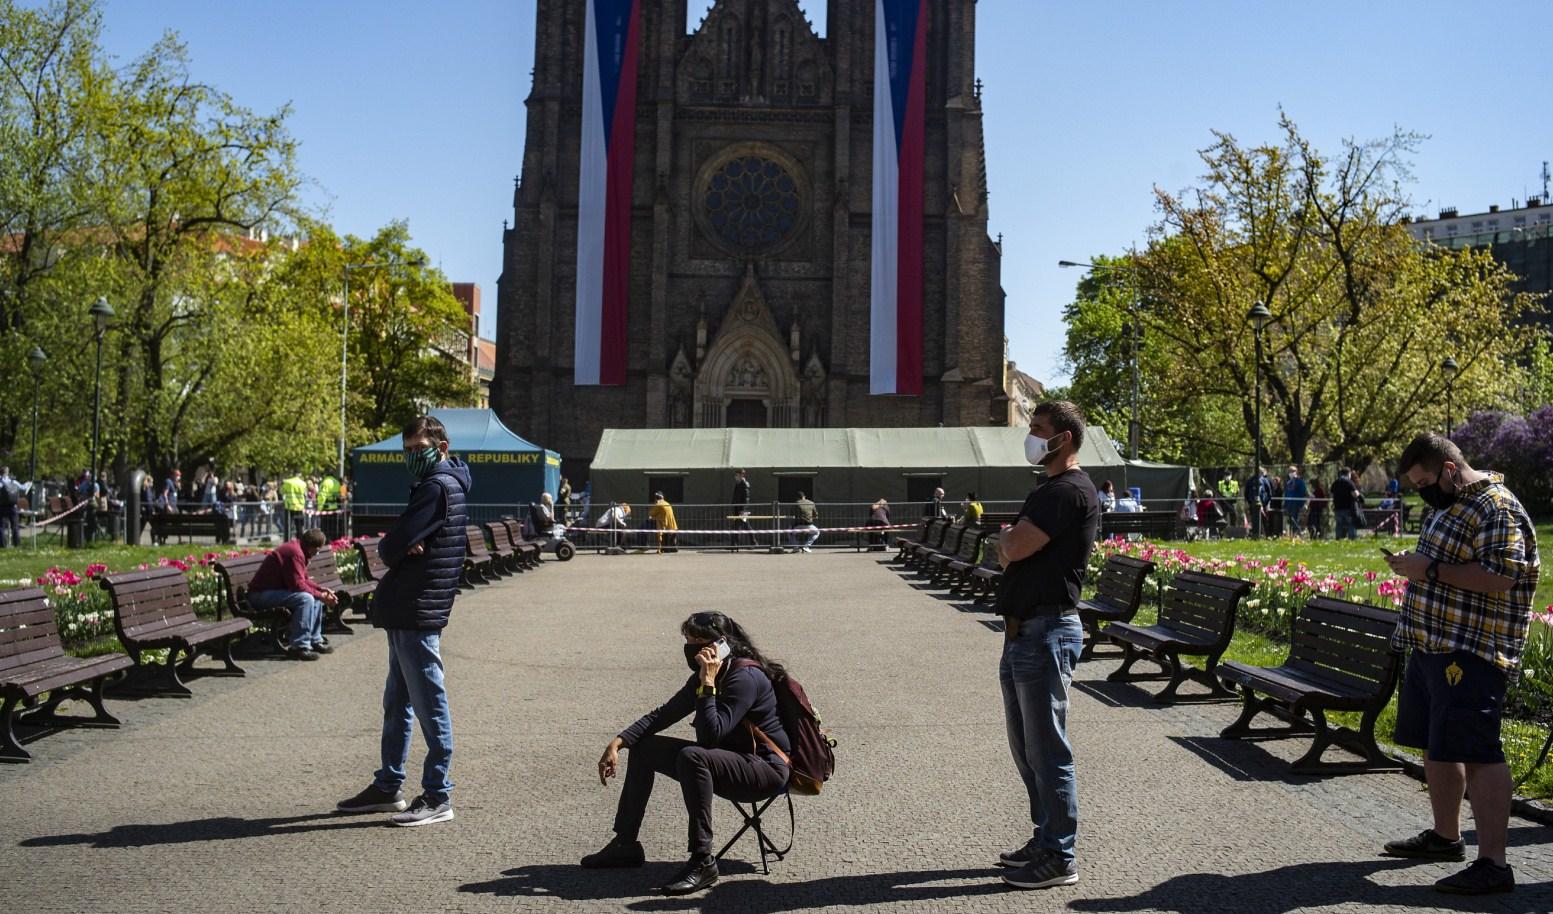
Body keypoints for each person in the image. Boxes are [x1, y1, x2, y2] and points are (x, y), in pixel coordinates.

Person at [1381, 433, 1539, 895]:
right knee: (1438, 744)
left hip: (1474, 649)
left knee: (1479, 751)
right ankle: (1445, 837)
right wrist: (1415, 565)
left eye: (1426, 480)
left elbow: (1501, 576)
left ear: (1450, 470)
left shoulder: (1495, 507)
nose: (1423, 491)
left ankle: (1494, 864)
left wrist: (1426, 570)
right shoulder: (1445, 504)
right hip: (1433, 645)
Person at [583, 611, 791, 897]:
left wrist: (708, 683)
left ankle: (702, 861)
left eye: (697, 641)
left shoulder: (744, 677)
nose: (690, 647)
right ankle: (625, 844)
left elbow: (710, 736)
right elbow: (664, 714)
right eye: (687, 640)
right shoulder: (713, 673)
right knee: (644, 747)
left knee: (693, 755)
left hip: (763, 770)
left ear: (720, 644)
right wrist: (619, 742)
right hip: (727, 761)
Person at [336, 416, 471, 827]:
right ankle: (388, 784)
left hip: (418, 606)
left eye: (419, 449)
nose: (413, 457)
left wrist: (396, 544)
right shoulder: (445, 483)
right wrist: (400, 544)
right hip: (412, 606)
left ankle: (437, 794)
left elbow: (391, 548)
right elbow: (400, 545)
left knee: (428, 701)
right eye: (407, 450)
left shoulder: (435, 487)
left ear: (442, 447)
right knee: (399, 701)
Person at [993, 401, 1099, 890]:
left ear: (1065, 439)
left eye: (1038, 430)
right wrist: (1011, 542)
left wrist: (1008, 542)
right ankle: (1045, 837)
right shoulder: (1050, 490)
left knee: (1048, 748)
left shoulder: (1067, 492)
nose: (1031, 436)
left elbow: (1013, 548)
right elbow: (1014, 546)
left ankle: (1060, 856)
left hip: (1045, 631)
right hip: (1024, 633)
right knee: (1027, 749)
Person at [247, 528, 337, 660]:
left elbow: (303, 580)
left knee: (314, 597)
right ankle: (299, 646)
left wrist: (321, 590)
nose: (317, 553)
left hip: (271, 592)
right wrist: (321, 595)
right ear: (313, 547)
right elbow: (297, 585)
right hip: (259, 595)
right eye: (318, 550)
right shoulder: (295, 553)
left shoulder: (300, 550)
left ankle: (314, 639)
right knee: (306, 598)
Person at [0, 466, 26, 548]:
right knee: (15, 526)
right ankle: (17, 544)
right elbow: (23, 487)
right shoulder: (13, 481)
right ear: (7, 473)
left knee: (1, 527)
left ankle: (2, 545)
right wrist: (28, 483)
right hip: (12, 506)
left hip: (2, 507)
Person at [1331, 467, 1360, 540]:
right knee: (1350, 524)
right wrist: (1358, 493)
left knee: (1339, 524)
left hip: (1337, 508)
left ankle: (1338, 538)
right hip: (1348, 507)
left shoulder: (1335, 482)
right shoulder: (1349, 482)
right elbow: (1355, 494)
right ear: (1348, 473)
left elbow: (1331, 493)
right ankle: (1352, 539)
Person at [730, 469, 755, 550]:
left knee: (744, 526)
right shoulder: (738, 484)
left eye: (737, 475)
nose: (735, 477)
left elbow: (746, 498)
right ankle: (735, 544)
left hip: (742, 509)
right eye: (735, 475)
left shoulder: (744, 484)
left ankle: (752, 542)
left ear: (741, 475)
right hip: (737, 508)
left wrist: (743, 509)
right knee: (739, 526)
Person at [1283, 466, 1309, 538]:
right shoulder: (1288, 482)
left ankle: (1299, 535)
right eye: (1289, 471)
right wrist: (1285, 504)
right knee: (1291, 521)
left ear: (1296, 472)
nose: (1290, 473)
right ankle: (1292, 536)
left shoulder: (1300, 482)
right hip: (1289, 504)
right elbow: (1287, 493)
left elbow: (1303, 492)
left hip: (1297, 504)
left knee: (1296, 520)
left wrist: (1303, 504)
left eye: (1292, 471)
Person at [281, 472, 307, 540]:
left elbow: (282, 491)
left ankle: (287, 540)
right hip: (299, 507)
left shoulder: (287, 482)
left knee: (288, 526)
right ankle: (300, 540)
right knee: (299, 526)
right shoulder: (303, 483)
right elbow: (305, 494)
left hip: (289, 507)